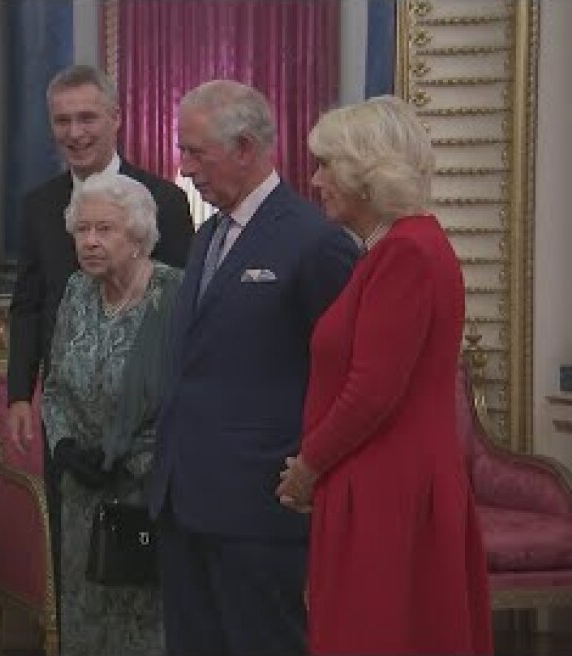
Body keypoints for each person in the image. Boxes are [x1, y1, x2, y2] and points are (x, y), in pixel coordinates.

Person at [276, 95, 492, 655]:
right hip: (384, 482)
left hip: (386, 489)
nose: (316, 178)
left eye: (326, 165)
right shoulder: (398, 248)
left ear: (365, 177)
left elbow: (372, 392)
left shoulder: (407, 253)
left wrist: (308, 466)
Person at [148, 80, 358, 656]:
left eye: (196, 152)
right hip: (185, 496)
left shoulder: (316, 242)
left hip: (260, 505)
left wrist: (310, 470)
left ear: (245, 147)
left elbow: (344, 374)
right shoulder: (207, 234)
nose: (184, 168)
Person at [6, 64, 193, 596]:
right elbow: (28, 304)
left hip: (147, 427)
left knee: (144, 571)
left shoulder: (165, 199)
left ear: (116, 118)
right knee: (75, 555)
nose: (75, 132)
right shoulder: (38, 204)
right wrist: (22, 393)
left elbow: (182, 312)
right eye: (62, 120)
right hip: (69, 422)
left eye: (87, 117)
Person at [41, 172, 182, 655]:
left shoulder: (175, 297)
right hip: (83, 497)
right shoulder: (77, 292)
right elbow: (56, 386)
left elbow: (187, 404)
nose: (90, 242)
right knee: (86, 626)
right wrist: (63, 447)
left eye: (105, 229)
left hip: (145, 496)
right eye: (82, 229)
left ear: (139, 234)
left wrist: (128, 457)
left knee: (144, 631)